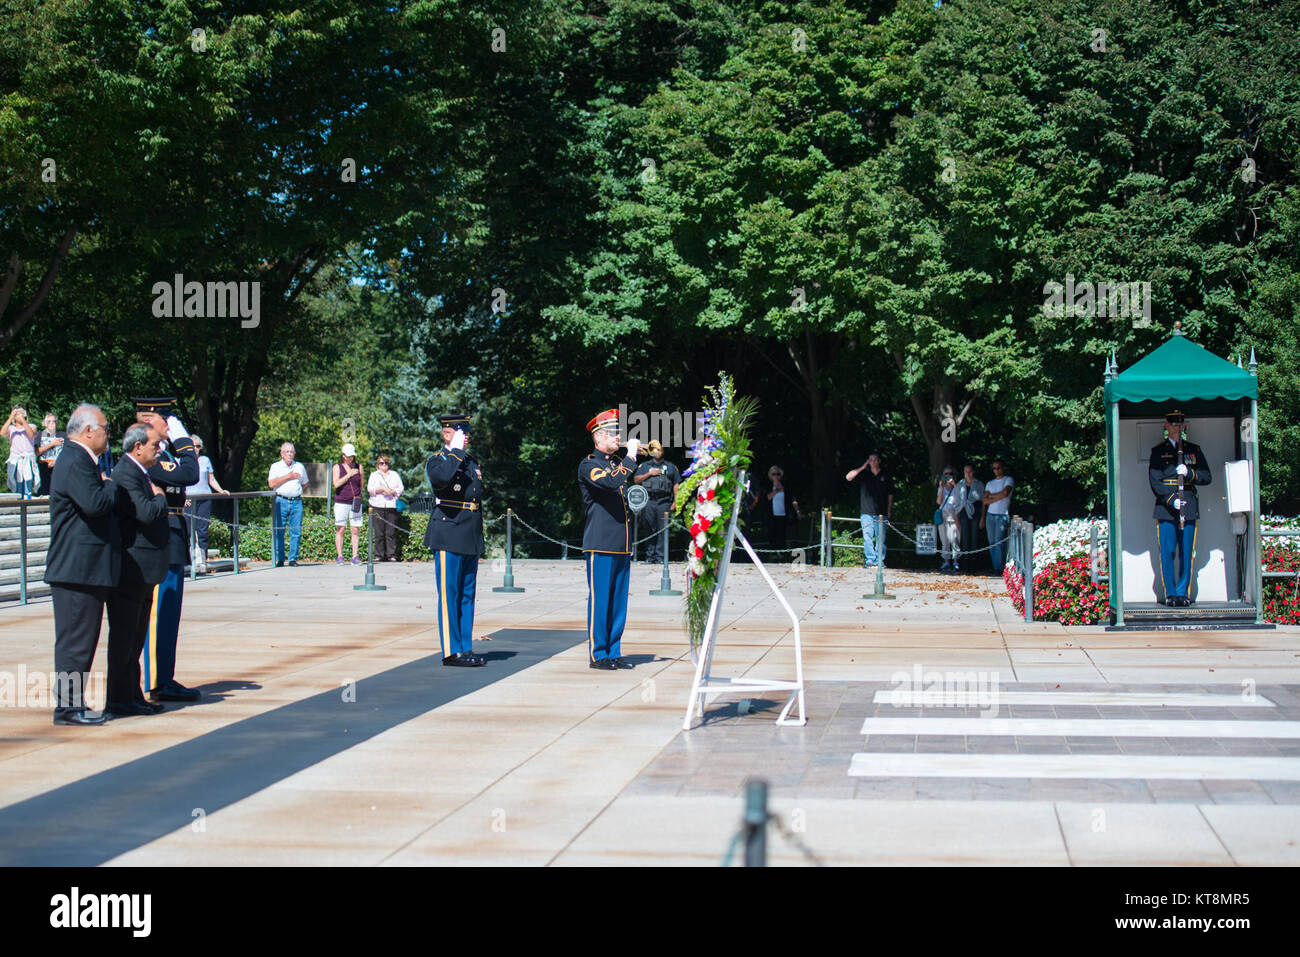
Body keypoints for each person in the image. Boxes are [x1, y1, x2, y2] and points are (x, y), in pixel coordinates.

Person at [43, 403, 117, 726]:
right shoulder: (75, 460)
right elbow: (95, 503)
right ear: (88, 431)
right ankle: (67, 707)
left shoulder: (79, 459)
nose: (107, 435)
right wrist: (111, 484)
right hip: (75, 569)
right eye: (104, 429)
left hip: (84, 569)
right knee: (75, 643)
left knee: (82, 641)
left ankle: (75, 703)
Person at [132, 398, 201, 703]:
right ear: (150, 420)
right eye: (166, 418)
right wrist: (184, 441)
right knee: (159, 614)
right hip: (160, 541)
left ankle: (164, 677)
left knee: (169, 614)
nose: (171, 423)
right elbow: (189, 474)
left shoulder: (160, 454)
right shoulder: (149, 457)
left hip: (172, 538)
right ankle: (157, 680)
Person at [105, 424, 169, 717]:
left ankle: (132, 695)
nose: (160, 449)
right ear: (137, 447)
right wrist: (160, 498)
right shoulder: (127, 474)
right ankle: (120, 698)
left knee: (135, 637)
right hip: (132, 568)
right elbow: (144, 512)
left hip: (144, 568)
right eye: (155, 444)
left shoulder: (138, 471)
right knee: (125, 638)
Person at [425, 414, 485, 666]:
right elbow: (442, 480)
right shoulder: (438, 460)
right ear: (447, 434)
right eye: (462, 431)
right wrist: (456, 452)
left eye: (468, 431)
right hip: (448, 531)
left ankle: (465, 647)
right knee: (450, 594)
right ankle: (451, 650)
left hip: (469, 532)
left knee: (467, 594)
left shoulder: (470, 460)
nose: (467, 435)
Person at [579, 408, 636, 670]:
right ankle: (598, 653)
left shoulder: (615, 465)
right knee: (601, 599)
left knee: (618, 602)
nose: (619, 437)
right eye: (614, 432)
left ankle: (614, 650)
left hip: (621, 543)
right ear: (599, 436)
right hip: (600, 543)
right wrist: (631, 458)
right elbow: (611, 484)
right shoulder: (589, 464)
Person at [1149, 409, 1212, 606]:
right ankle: (1170, 594)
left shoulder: (1194, 450)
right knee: (1167, 552)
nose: (1176, 427)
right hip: (1166, 509)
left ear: (1184, 426)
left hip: (1188, 505)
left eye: (1179, 424)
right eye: (1172, 423)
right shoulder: (1158, 451)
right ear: (1166, 426)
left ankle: (1182, 593)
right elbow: (1154, 481)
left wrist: (1190, 472)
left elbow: (1207, 477)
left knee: (1186, 552)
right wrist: (1170, 500)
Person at [184, 435, 227, 574]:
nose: (195, 449)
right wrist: (182, 497)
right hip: (189, 499)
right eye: (192, 446)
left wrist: (221, 490)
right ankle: (188, 562)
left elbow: (211, 479)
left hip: (204, 498)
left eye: (198, 446)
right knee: (188, 531)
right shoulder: (182, 461)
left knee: (202, 530)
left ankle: (202, 561)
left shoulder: (205, 460)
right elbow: (179, 481)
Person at [633, 440, 681, 563]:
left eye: (660, 450)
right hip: (649, 501)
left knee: (663, 529)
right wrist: (649, 474)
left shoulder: (670, 467)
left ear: (663, 451)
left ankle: (660, 557)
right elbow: (636, 480)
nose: (658, 452)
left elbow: (676, 484)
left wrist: (676, 501)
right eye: (656, 450)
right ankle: (650, 556)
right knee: (649, 528)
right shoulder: (645, 466)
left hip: (664, 502)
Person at [846, 452, 893, 566]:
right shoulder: (864, 474)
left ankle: (879, 561)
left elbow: (890, 494)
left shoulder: (886, 475)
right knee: (867, 538)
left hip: (881, 512)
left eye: (875, 459)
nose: (873, 461)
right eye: (870, 459)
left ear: (879, 461)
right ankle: (870, 560)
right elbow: (848, 477)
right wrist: (863, 467)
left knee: (881, 538)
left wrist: (889, 510)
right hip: (866, 512)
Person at [268, 442, 308, 566]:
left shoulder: (300, 466)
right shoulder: (275, 466)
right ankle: (280, 559)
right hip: (281, 500)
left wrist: (296, 489)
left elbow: (305, 482)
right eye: (287, 452)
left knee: (295, 531)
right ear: (282, 454)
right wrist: (289, 476)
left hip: (296, 501)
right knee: (279, 530)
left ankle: (293, 559)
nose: (290, 454)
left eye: (292, 452)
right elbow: (271, 484)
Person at [332, 443, 365, 565]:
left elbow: (361, 483)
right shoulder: (337, 467)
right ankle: (340, 556)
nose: (351, 458)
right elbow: (336, 484)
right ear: (343, 455)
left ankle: (355, 556)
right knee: (340, 528)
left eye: (352, 456)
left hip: (355, 502)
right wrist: (348, 475)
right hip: (341, 501)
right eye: (348, 456)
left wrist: (358, 496)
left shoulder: (359, 467)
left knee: (355, 529)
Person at [368, 454, 404, 561]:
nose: (384, 465)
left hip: (391, 506)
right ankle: (379, 555)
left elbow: (400, 488)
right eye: (381, 463)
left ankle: (391, 555)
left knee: (391, 532)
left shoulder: (394, 475)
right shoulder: (374, 475)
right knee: (378, 532)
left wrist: (391, 491)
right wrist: (382, 489)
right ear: (378, 465)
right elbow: (370, 489)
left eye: (386, 463)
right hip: (377, 505)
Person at [982, 459, 1014, 574]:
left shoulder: (1008, 479)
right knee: (992, 542)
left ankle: (1001, 568)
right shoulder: (989, 483)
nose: (996, 470)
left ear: (1003, 468)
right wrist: (998, 496)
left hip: (1002, 514)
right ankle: (996, 567)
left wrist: (991, 497)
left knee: (999, 542)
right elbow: (985, 501)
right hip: (990, 515)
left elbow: (1005, 493)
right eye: (994, 468)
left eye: (998, 467)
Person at [4, 405, 39, 497]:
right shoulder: (11, 428)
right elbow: (2, 433)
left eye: (21, 412)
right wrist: (11, 417)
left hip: (28, 459)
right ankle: (18, 505)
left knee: (28, 483)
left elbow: (31, 435)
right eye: (17, 413)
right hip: (16, 459)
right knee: (17, 484)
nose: (19, 414)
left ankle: (27, 502)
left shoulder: (31, 426)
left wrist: (23, 421)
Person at [766, 465, 801, 557]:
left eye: (778, 474)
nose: (776, 476)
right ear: (770, 475)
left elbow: (792, 500)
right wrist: (777, 491)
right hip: (771, 514)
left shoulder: (786, 486)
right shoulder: (768, 486)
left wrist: (798, 512)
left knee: (782, 535)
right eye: (773, 474)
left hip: (783, 514)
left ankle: (782, 554)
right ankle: (773, 553)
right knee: (772, 534)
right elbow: (767, 497)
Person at [957, 464, 986, 572]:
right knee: (964, 538)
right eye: (966, 472)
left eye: (970, 471)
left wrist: (983, 517)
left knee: (975, 538)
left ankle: (974, 564)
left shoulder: (979, 484)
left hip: (976, 511)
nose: (968, 474)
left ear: (973, 472)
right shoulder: (960, 484)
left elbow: (983, 501)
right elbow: (957, 502)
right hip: (963, 512)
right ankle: (964, 564)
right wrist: (956, 518)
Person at [936, 466, 963, 572]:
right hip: (943, 514)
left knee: (954, 538)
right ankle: (946, 562)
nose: (947, 476)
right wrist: (942, 488)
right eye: (945, 474)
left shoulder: (957, 487)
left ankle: (956, 561)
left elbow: (960, 500)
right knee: (944, 539)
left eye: (949, 474)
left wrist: (954, 485)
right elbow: (939, 502)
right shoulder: (940, 488)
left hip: (953, 515)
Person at [36, 413, 65, 495]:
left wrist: (57, 462)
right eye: (49, 421)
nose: (52, 424)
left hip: (59, 468)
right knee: (44, 493)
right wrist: (52, 444)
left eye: (54, 421)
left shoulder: (63, 435)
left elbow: (68, 453)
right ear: (45, 423)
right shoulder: (40, 435)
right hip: (43, 468)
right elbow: (36, 452)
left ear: (57, 423)